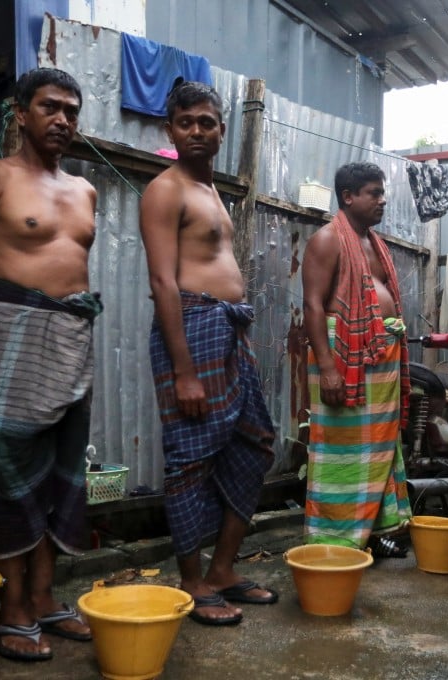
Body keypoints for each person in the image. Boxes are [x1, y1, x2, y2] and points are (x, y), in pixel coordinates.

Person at [0, 68, 98, 662]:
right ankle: (13, 608)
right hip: (12, 335)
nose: (62, 120)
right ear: (22, 112)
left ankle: (45, 596)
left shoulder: (85, 191)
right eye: (50, 107)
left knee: (63, 473)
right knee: (7, 468)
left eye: (71, 111)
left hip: (74, 338)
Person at [139, 80, 277, 627]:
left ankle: (222, 570)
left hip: (228, 331)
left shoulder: (212, 189)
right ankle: (192, 581)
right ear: (169, 129)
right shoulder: (166, 189)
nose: (197, 131)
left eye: (207, 122)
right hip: (192, 328)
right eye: (186, 122)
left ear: (223, 129)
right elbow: (162, 281)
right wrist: (184, 371)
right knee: (191, 460)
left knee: (254, 443)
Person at [301, 161, 412, 557]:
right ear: (348, 196)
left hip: (379, 359)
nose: (382, 200)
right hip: (344, 359)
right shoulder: (328, 240)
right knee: (341, 453)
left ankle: (369, 534)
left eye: (383, 193)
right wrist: (328, 368)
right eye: (373, 193)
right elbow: (313, 306)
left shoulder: (374, 242)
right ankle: (333, 541)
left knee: (379, 451)